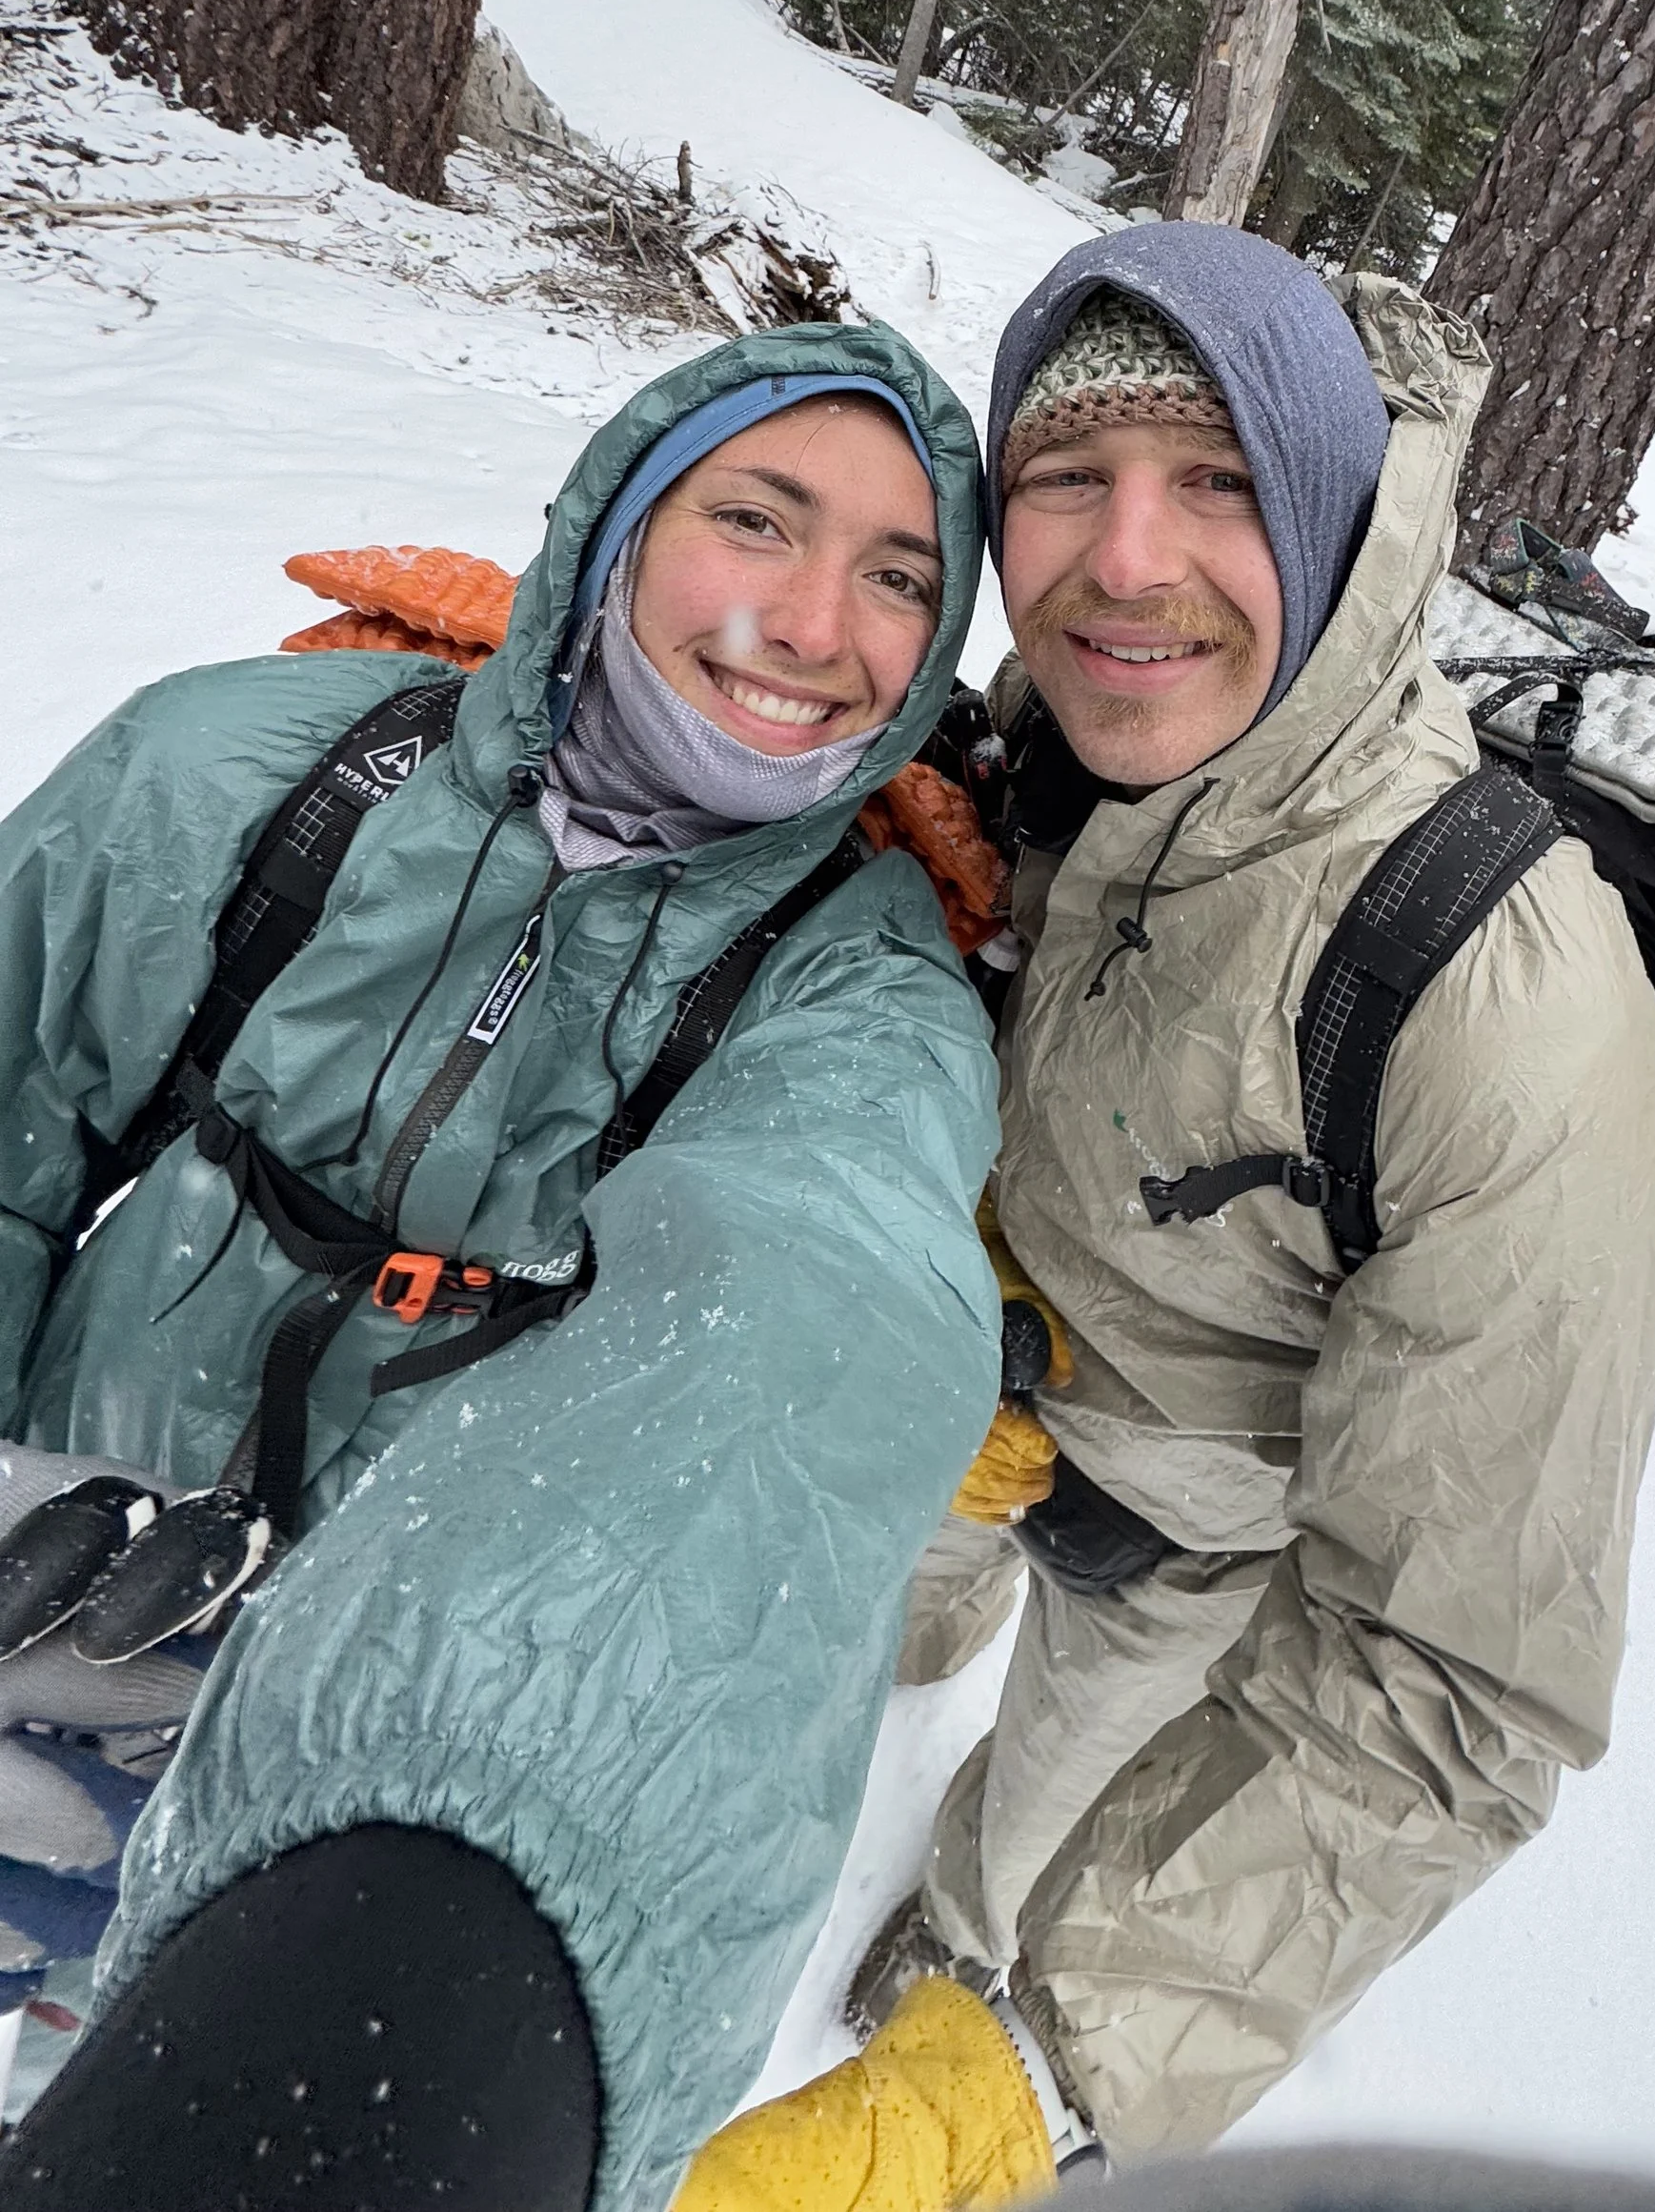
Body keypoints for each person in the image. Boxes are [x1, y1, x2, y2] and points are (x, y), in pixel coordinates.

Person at [682, 228, 1655, 2210]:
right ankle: (917, 1627)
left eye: (1218, 478)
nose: (1126, 559)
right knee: (884, 1606)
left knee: (1049, 1810)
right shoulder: (1054, 731)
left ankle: (963, 1958)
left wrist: (1022, 2075)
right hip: (954, 1383)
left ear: (1323, 511)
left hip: (1178, 1548)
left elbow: (1445, 1683)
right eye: (1068, 476)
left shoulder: (1506, 1018)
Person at [0, 323, 1005, 2212]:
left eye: (899, 578)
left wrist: (401, 1873)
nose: (811, 621)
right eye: (757, 519)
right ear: (612, 524)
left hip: (405, 1702)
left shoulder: (854, 998)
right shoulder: (255, 771)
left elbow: (784, 1352)